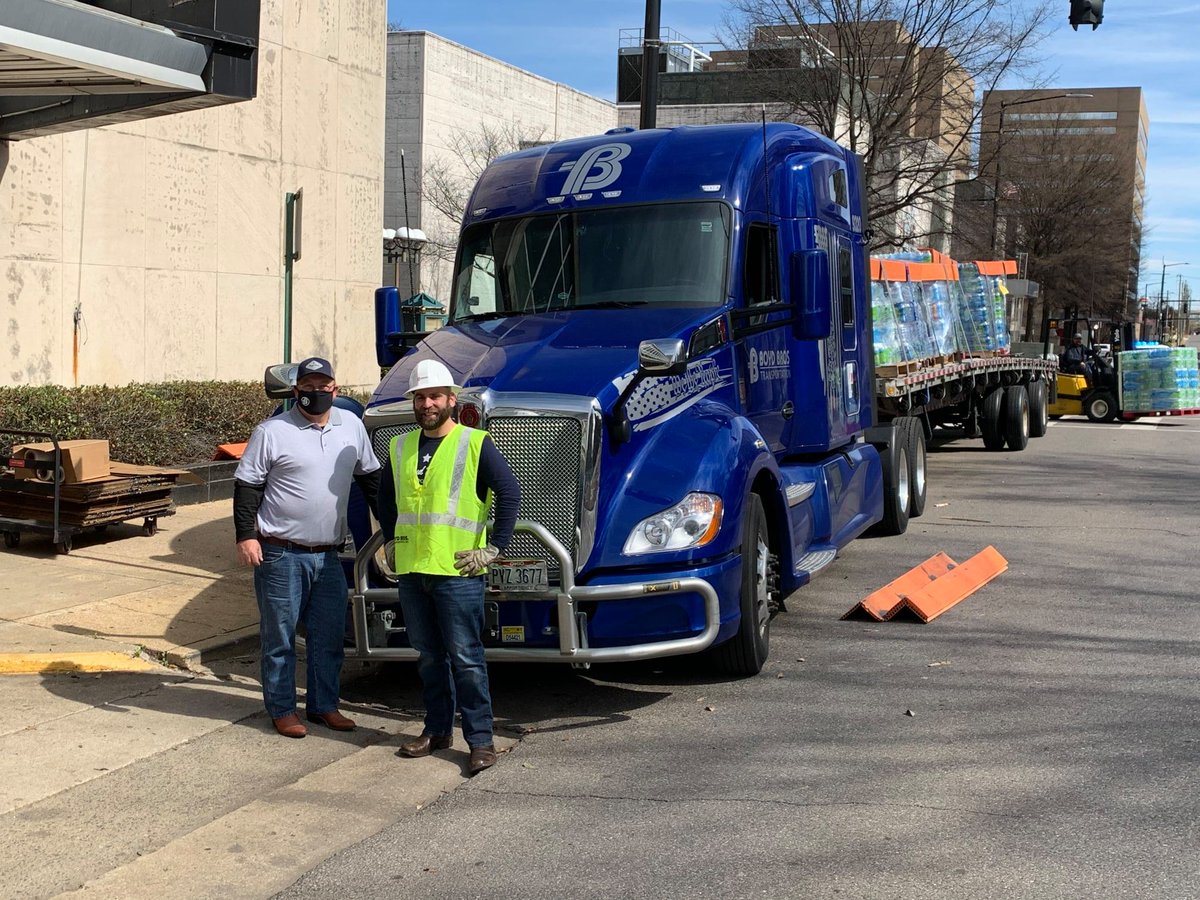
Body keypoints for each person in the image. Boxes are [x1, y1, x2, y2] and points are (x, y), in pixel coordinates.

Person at [377, 359, 520, 775]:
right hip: (414, 571)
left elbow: (509, 493)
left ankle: (480, 740)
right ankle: (437, 729)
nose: (427, 404)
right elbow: (387, 500)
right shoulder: (400, 446)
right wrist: (390, 539)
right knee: (428, 656)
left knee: (466, 658)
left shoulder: (474, 443)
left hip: (458, 572)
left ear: (451, 400)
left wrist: (494, 548)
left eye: (435, 396)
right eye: (420, 397)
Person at [233, 356, 381, 739]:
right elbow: (247, 486)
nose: (316, 393)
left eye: (323, 386)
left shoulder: (352, 426)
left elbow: (370, 480)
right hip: (280, 552)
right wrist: (246, 535)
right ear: (296, 390)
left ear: (336, 389)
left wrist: (394, 528)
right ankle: (282, 709)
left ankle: (324, 706)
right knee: (279, 637)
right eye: (308, 387)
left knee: (328, 636)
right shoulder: (271, 431)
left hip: (328, 554)